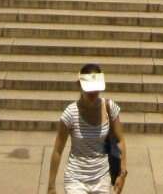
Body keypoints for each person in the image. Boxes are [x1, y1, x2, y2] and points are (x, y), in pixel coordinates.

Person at [48, 64, 127, 194]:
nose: (93, 94)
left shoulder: (109, 108)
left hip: (101, 177)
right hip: (75, 179)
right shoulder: (70, 113)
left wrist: (122, 173)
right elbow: (57, 150)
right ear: (79, 85)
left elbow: (120, 140)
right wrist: (51, 186)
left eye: (96, 90)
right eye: (89, 90)